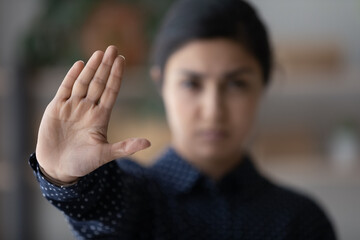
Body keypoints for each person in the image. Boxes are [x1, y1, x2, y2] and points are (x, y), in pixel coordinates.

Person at [29, 0, 337, 239]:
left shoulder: (300, 220)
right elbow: (98, 211)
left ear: (264, 84)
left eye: (237, 84)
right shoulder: (133, 199)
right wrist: (64, 180)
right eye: (192, 84)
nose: (213, 110)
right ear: (161, 84)